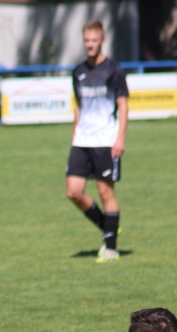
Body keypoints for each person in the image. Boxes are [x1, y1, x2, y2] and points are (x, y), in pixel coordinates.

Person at [65, 20, 129, 263]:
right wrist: (74, 134)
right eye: (87, 41)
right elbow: (79, 106)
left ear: (102, 41)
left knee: (105, 191)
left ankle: (110, 248)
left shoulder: (114, 70)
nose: (90, 45)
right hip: (82, 140)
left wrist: (120, 139)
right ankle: (108, 226)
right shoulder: (78, 72)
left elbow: (123, 107)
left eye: (94, 40)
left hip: (105, 140)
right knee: (73, 191)